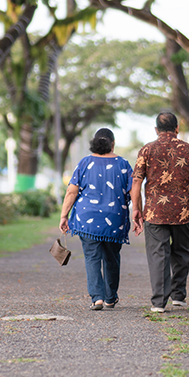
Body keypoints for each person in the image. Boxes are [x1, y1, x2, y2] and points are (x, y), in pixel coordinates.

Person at [131, 112, 189, 313]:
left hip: (154, 212)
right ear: (177, 128)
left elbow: (136, 182)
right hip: (183, 211)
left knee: (158, 253)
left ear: (156, 130)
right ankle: (178, 296)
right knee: (181, 252)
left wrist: (136, 209)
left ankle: (159, 302)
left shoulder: (146, 150)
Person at [59, 128, 133, 311]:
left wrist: (64, 215)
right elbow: (134, 191)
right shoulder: (123, 164)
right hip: (115, 220)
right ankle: (110, 298)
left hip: (87, 219)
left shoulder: (84, 163)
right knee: (112, 258)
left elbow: (71, 191)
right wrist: (138, 211)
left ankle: (97, 298)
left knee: (92, 257)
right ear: (112, 143)